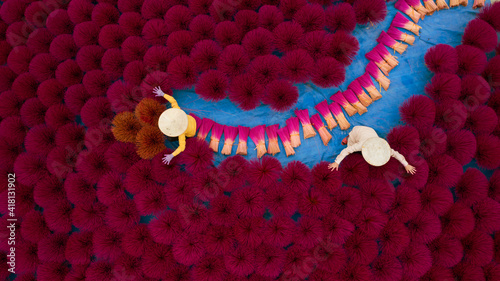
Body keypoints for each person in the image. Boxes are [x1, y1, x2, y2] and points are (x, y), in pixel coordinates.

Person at [328, 125, 417, 174]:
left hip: (370, 131)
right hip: (357, 131)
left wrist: (406, 165)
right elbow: (346, 151)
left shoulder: (387, 149)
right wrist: (336, 162)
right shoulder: (360, 145)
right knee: (350, 147)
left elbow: (397, 155)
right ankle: (348, 137)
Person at [153, 86, 197, 165]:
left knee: (170, 138)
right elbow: (173, 101)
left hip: (192, 132)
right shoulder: (178, 110)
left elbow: (182, 147)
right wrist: (162, 94)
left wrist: (171, 156)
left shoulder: (181, 133)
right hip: (192, 119)